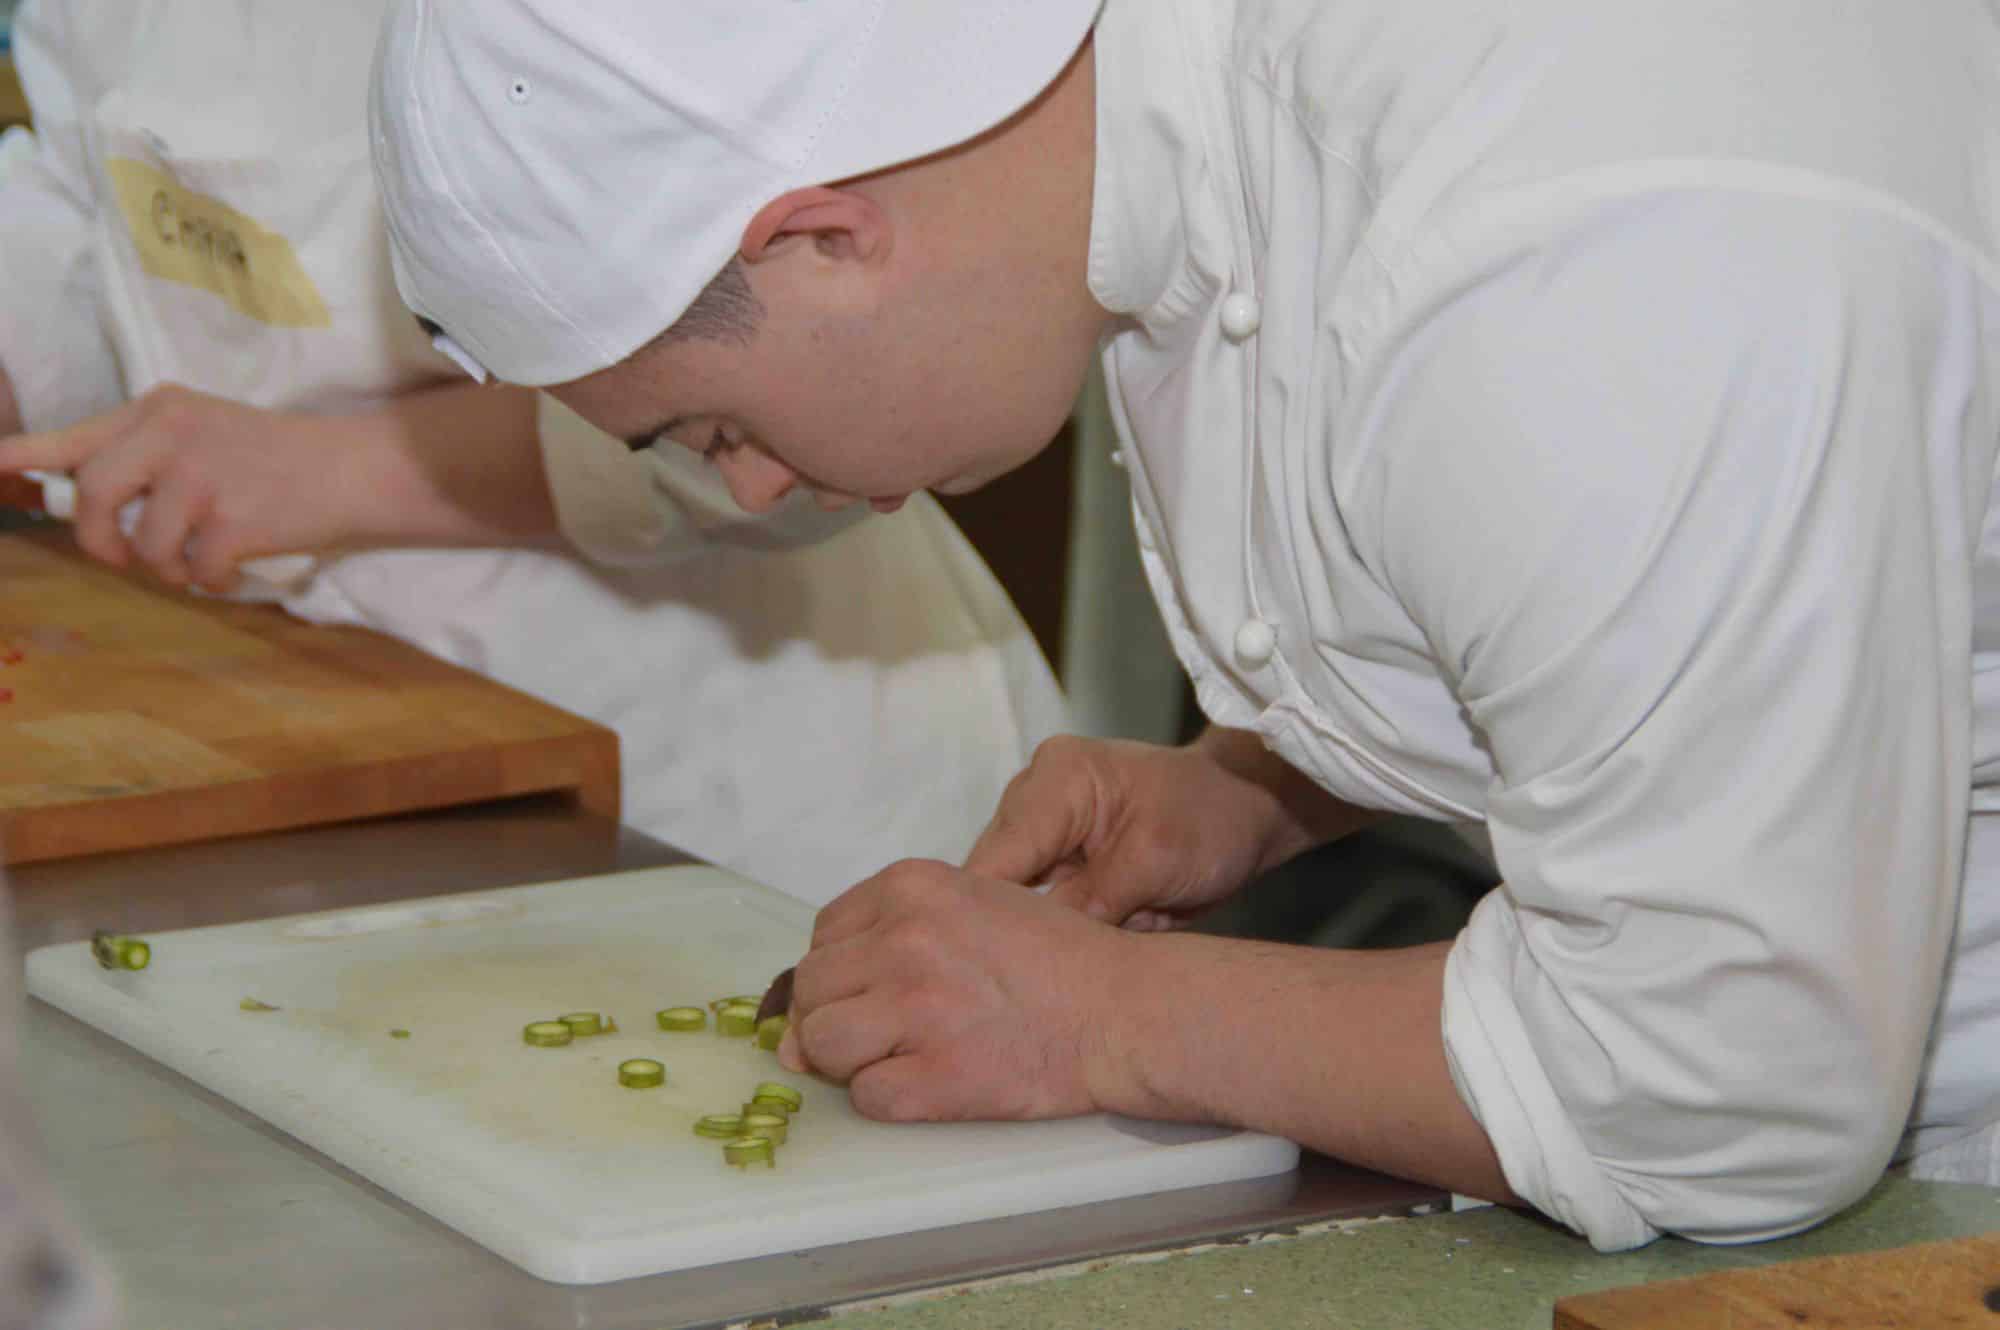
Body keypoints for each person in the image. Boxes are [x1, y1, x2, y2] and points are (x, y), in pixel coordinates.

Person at [368, 0, 2000, 1251]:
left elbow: (1731, 1078)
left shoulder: (1573, 257)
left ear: (821, 236)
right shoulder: (1187, 123)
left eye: (715, 426)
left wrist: (1100, 1017)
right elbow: (1598, 594)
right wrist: (1265, 776)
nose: (757, 483)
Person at [0, 0, 1069, 904]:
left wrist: (325, 473)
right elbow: (85, 184)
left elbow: (794, 371)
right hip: (301, 728)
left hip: (726, 787)